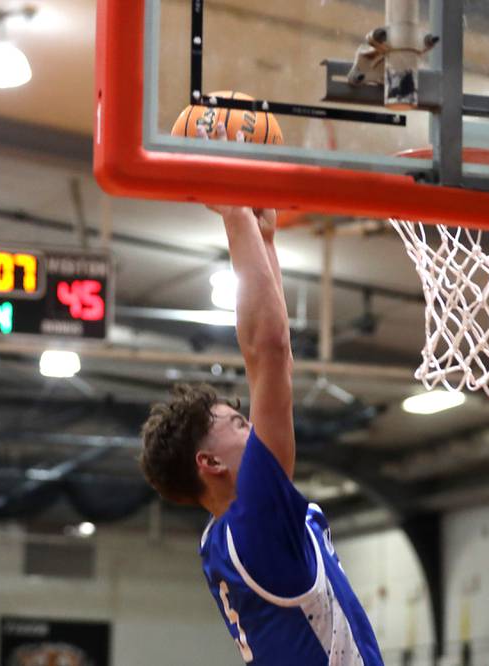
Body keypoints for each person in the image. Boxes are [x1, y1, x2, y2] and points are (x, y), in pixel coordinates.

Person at [139, 123, 384, 665]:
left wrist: (264, 239)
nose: (253, 424)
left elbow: (279, 364)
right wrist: (234, 214)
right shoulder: (255, 525)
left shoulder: (229, 536)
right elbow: (269, 352)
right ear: (209, 462)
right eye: (238, 424)